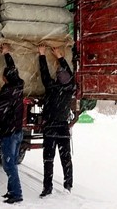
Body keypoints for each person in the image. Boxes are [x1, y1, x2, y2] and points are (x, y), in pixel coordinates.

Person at [37, 45, 74, 197]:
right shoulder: (70, 87)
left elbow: (44, 72)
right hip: (63, 127)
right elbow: (69, 75)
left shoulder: (51, 87)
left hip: (51, 126)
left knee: (48, 159)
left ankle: (47, 187)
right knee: (65, 157)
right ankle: (68, 184)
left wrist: (42, 55)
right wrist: (60, 57)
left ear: (57, 78)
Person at [0, 43, 25, 204]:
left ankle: (17, 194)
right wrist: (7, 54)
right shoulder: (19, 85)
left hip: (9, 133)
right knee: (11, 162)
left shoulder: (7, 92)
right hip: (18, 131)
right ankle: (11, 190)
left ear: (5, 79)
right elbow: (13, 70)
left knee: (9, 165)